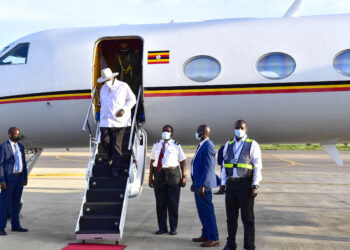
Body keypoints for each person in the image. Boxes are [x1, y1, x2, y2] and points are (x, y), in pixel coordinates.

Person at [221, 120, 262, 250]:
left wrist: (255, 185)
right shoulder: (229, 144)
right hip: (231, 185)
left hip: (245, 185)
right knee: (231, 218)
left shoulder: (252, 144)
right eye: (237, 128)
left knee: (248, 219)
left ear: (246, 129)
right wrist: (223, 183)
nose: (239, 130)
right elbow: (224, 165)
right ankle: (230, 244)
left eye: (241, 128)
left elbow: (257, 165)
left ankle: (249, 246)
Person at [98, 68, 136, 178]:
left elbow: (132, 99)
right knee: (105, 141)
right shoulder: (103, 89)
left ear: (112, 77)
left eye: (107, 79)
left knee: (116, 145)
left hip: (119, 121)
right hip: (105, 120)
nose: (106, 82)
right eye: (104, 80)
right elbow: (103, 103)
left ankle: (116, 167)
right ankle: (111, 159)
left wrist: (124, 110)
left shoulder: (123, 86)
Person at [149, 125, 187, 235]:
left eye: (168, 131)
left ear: (172, 133)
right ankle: (162, 227)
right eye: (164, 131)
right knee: (160, 203)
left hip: (173, 175)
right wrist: (150, 177)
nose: (165, 132)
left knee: (173, 203)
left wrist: (184, 177)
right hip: (159, 174)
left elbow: (183, 162)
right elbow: (152, 161)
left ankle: (173, 228)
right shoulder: (156, 145)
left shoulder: (176, 145)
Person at [191, 124, 220, 248]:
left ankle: (214, 237)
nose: (197, 133)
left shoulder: (208, 146)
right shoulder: (202, 144)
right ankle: (205, 234)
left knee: (207, 211)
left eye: (199, 132)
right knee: (202, 211)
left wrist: (202, 184)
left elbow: (208, 168)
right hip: (198, 182)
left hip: (204, 185)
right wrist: (194, 182)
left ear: (205, 133)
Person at [0, 127, 28, 236]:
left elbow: (23, 163)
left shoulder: (20, 146)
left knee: (16, 205)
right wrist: (2, 180)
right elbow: (0, 165)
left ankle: (15, 225)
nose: (17, 136)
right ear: (10, 135)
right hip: (8, 180)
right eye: (15, 134)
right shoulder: (3, 147)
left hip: (19, 179)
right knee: (4, 205)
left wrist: (25, 177)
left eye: (18, 134)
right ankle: (1, 227)